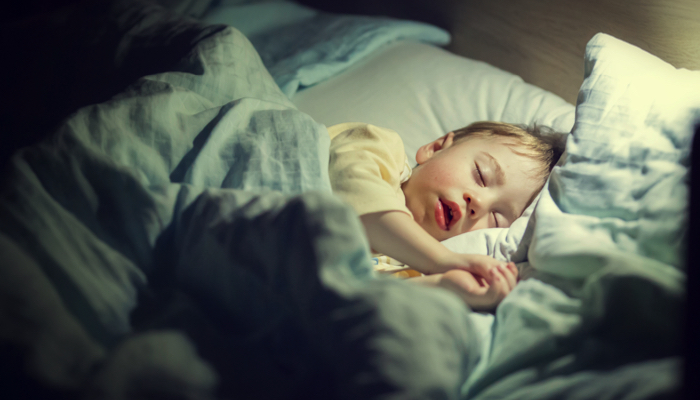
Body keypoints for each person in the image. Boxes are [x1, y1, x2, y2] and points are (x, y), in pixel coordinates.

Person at [328, 121, 565, 311]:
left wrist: (441, 285)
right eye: (481, 175)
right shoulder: (378, 147)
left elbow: (354, 302)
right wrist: (439, 261)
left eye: (495, 218)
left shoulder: (412, 268)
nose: (479, 203)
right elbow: (354, 190)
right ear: (436, 148)